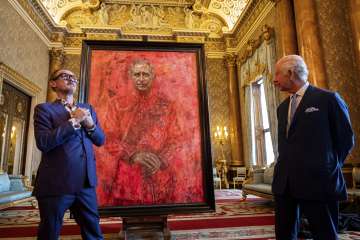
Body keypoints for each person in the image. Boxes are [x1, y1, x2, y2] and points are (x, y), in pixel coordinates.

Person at [272, 55, 355, 240]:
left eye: (277, 74)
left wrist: (326, 165)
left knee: (324, 234)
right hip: (284, 184)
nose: (274, 80)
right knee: (284, 235)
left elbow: (345, 139)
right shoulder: (282, 108)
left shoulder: (328, 99)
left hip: (318, 181)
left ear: (291, 73)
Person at [100, 58, 203, 205]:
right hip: (128, 178)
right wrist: (133, 155)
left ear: (153, 76)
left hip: (160, 176)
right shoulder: (117, 104)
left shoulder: (167, 106)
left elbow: (177, 139)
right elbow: (108, 138)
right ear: (131, 75)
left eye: (145, 74)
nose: (141, 79)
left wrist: (161, 159)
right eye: (137, 74)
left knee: (160, 216)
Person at [33, 69, 105, 239]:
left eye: (74, 77)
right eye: (65, 76)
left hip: (85, 184)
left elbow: (100, 140)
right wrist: (74, 121)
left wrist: (89, 124)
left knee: (93, 233)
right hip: (56, 184)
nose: (71, 79)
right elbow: (44, 143)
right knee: (49, 233)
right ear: (53, 83)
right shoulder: (44, 109)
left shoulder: (88, 109)